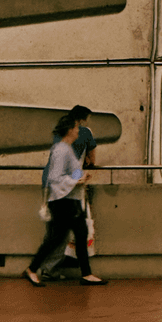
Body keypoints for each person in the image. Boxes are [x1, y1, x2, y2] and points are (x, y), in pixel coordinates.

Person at [25, 114, 107, 287]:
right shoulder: (62, 150)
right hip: (65, 201)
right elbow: (56, 177)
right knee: (60, 237)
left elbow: (68, 173)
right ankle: (33, 269)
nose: (78, 131)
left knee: (72, 234)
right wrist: (76, 180)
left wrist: (82, 175)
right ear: (70, 130)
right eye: (76, 128)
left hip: (67, 200)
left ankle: (85, 273)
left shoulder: (64, 149)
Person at [39, 104, 98, 280]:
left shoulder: (61, 133)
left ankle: (47, 268)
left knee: (57, 231)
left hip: (49, 182)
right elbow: (91, 160)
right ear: (82, 119)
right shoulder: (85, 132)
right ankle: (46, 269)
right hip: (69, 187)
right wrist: (82, 174)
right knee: (64, 232)